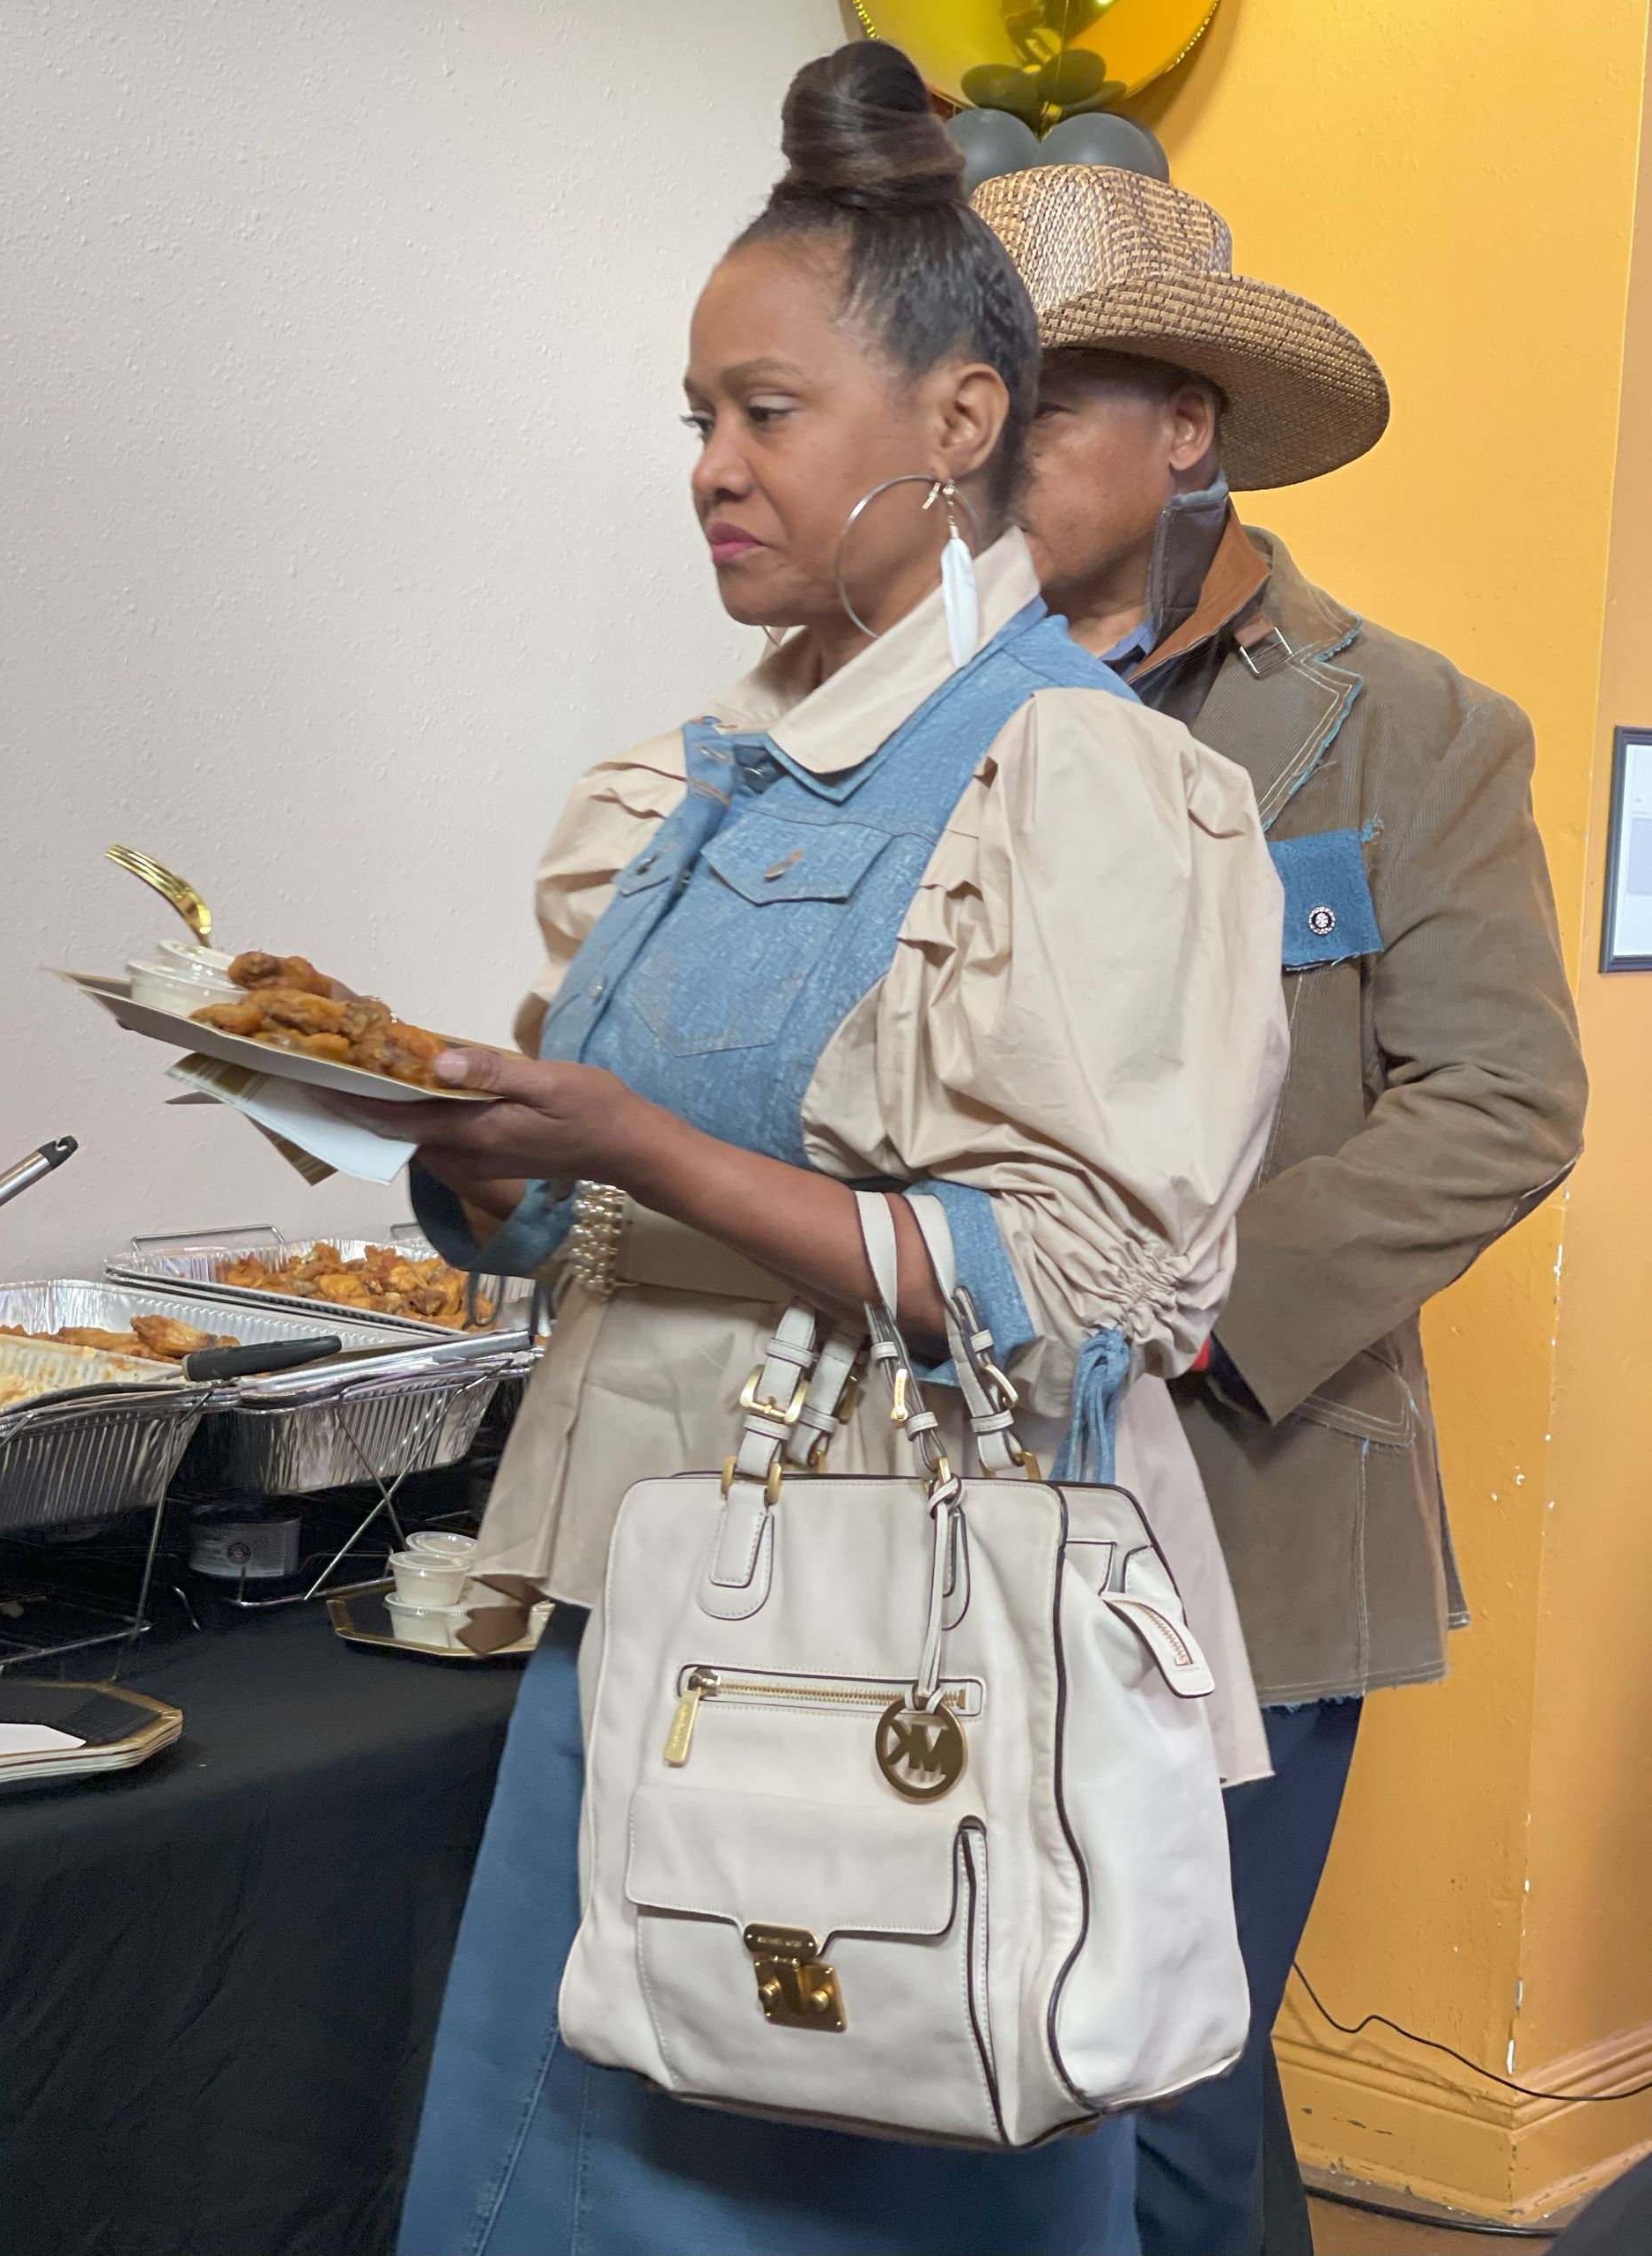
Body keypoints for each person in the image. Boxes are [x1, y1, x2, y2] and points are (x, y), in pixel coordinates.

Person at [345, 44, 1291, 2256]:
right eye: (697, 415)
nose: (711, 466)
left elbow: (1077, 1293)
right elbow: (585, 1213)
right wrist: (487, 1165)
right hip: (628, 1612)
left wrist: (640, 1145)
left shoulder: (1081, 782)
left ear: (957, 423)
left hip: (888, 1667)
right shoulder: (687, 782)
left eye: (765, 412)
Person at [973, 162, 1589, 2256]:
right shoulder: (918, 715)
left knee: (1171, 2094)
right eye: (964, 400)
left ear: (1188, 425)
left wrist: (1189, 1301)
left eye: (1040, 402)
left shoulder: (1407, 727)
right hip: (946, 1492)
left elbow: (1505, 1098)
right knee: (971, 2064)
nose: (982, 452)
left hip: (1247, 1502)